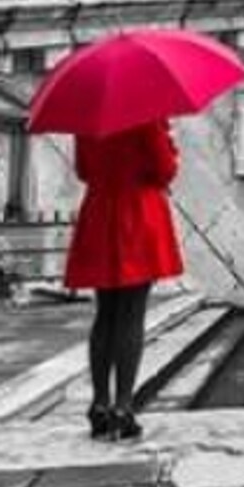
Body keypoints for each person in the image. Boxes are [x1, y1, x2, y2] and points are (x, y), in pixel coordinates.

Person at [65, 119, 183, 441]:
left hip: (101, 210)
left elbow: (84, 170)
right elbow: (164, 171)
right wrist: (171, 147)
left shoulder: (89, 118)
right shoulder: (147, 115)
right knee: (132, 313)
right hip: (137, 212)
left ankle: (100, 404)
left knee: (106, 313)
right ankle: (123, 407)